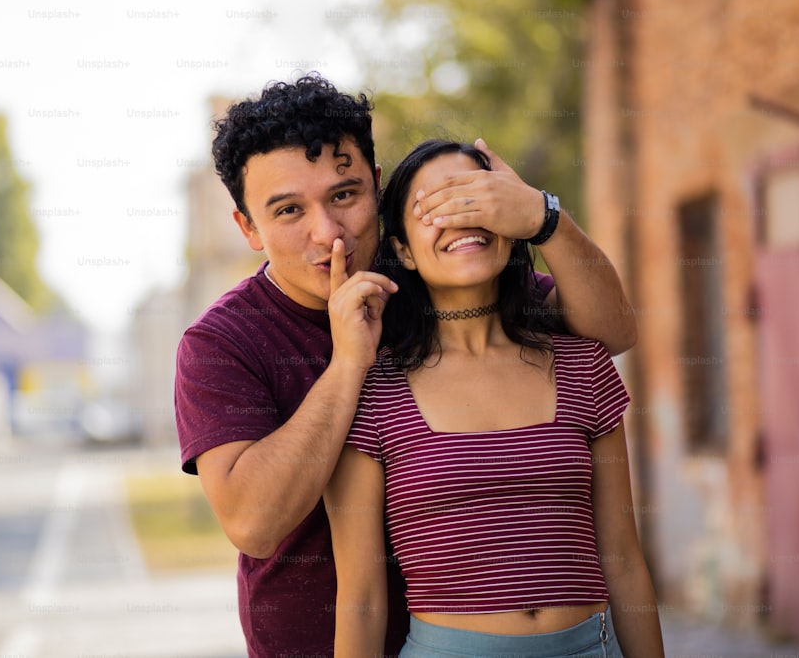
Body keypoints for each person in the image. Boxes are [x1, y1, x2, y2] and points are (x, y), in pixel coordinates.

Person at [174, 74, 638, 658]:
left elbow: (611, 330)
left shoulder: (441, 283)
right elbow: (254, 524)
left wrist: (545, 217)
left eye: (345, 195)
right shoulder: (223, 342)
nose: (328, 232)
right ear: (248, 228)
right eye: (289, 210)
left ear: (376, 186)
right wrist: (348, 364)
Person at [325, 139, 664, 657]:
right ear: (404, 252)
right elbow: (364, 598)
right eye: (434, 208)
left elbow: (622, 558)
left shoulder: (583, 365)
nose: (461, 219)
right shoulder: (374, 392)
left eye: (477, 199)